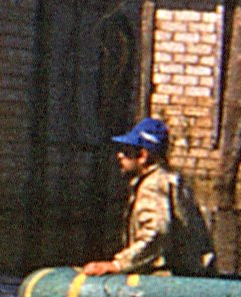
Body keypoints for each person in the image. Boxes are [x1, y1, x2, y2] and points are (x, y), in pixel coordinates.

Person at [82, 117, 213, 277]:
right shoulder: (172, 179)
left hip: (171, 277)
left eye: (127, 151)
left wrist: (118, 264)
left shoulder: (153, 185)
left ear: (143, 155)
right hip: (194, 272)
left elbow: (156, 232)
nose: (120, 155)